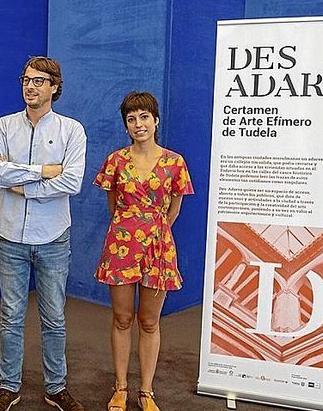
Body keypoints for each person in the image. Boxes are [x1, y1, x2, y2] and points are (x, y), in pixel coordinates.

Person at [0, 56, 87, 411]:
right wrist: (42, 170)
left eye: (39, 81)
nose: (30, 86)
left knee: (54, 316)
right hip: (9, 236)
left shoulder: (72, 130)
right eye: (26, 80)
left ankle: (56, 387)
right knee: (10, 315)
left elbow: (71, 181)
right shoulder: (4, 125)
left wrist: (24, 187)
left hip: (53, 238)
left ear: (55, 87)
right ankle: (8, 388)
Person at [93, 92, 193, 411]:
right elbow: (113, 206)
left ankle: (146, 391)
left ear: (156, 120)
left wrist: (153, 229)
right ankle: (120, 387)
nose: (139, 124)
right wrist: (131, 226)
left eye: (144, 117)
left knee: (149, 322)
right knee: (122, 318)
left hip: (158, 246)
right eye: (132, 119)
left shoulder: (175, 162)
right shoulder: (115, 160)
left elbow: (174, 208)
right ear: (126, 125)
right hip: (121, 244)